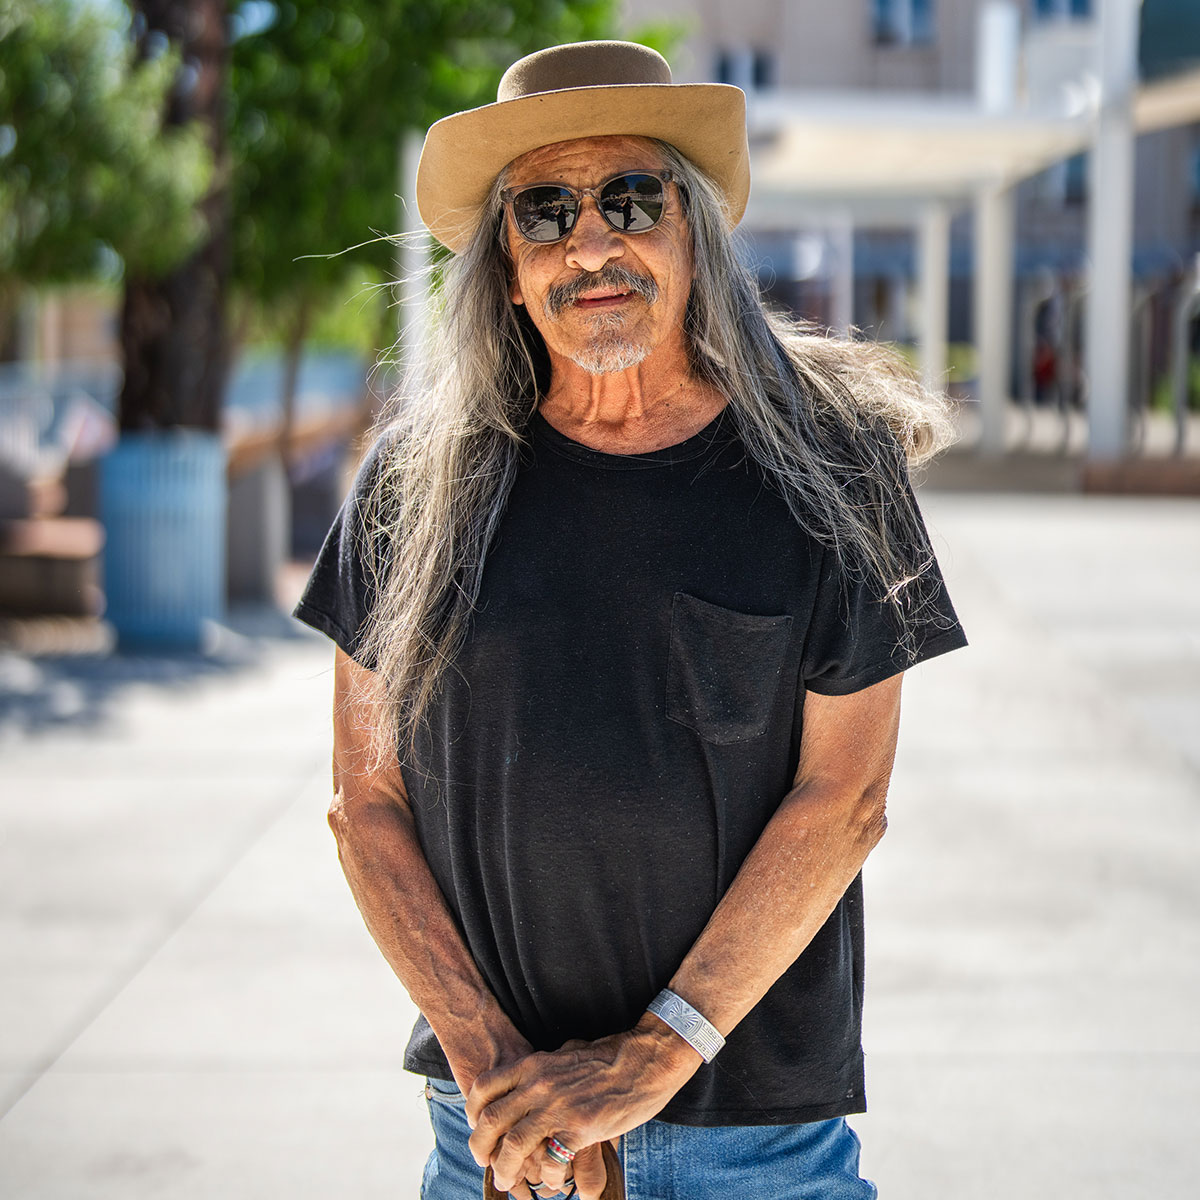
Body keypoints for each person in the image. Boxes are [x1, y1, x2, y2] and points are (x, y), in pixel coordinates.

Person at [294, 40, 968, 1200]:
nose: (591, 244)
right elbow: (369, 808)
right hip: (495, 1142)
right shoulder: (414, 483)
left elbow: (844, 803)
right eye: (544, 213)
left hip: (755, 1149)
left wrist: (646, 1065)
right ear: (506, 268)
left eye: (630, 199)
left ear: (691, 233)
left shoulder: (834, 466)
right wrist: (502, 1077)